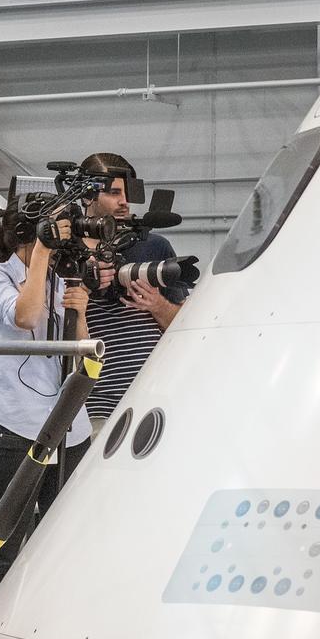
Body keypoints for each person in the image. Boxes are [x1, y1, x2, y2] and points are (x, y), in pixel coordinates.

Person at [0, 198, 94, 639]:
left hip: (70, 426)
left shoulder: (59, 279)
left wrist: (81, 310)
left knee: (64, 543)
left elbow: (84, 355)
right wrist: (40, 253)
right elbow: (26, 316)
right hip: (17, 425)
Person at [79, 153, 187, 433]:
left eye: (128, 193)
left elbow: (185, 325)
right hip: (91, 405)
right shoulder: (65, 251)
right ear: (87, 195)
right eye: (114, 193)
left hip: (152, 399)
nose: (124, 202)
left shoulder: (153, 246)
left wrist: (156, 304)